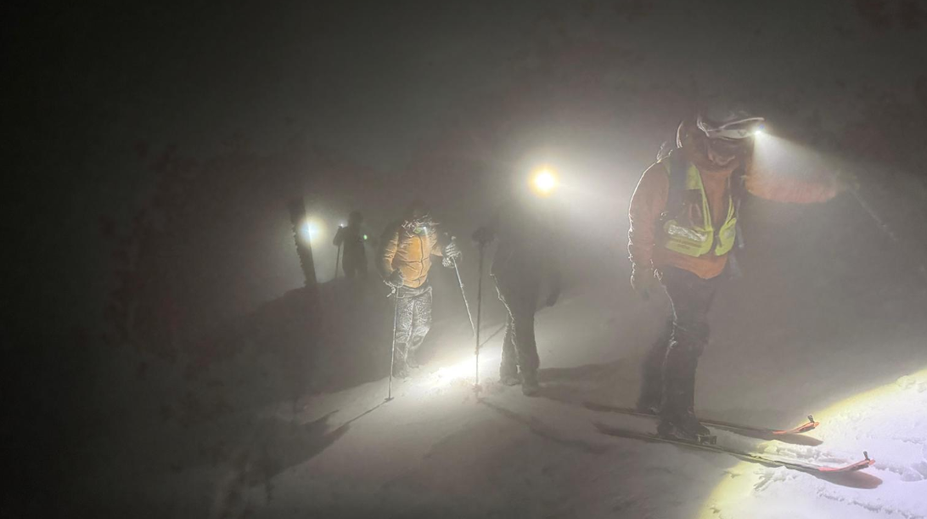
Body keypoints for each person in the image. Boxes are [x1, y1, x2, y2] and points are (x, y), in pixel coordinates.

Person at [628, 107, 845, 440]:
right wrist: (641, 266)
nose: (725, 155)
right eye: (720, 146)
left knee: (684, 333)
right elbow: (640, 219)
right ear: (704, 137)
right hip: (676, 263)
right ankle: (675, 418)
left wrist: (826, 191)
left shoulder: (736, 168)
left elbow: (774, 188)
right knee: (690, 335)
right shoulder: (667, 172)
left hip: (712, 267)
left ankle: (655, 398)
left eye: (734, 148)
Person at [474, 190, 562, 397]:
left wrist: (555, 283)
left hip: (529, 275)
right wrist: (482, 235)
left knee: (519, 319)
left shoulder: (545, 213)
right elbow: (491, 228)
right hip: (507, 273)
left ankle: (508, 369)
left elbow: (552, 250)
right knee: (522, 320)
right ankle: (528, 375)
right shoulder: (511, 208)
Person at [378, 201, 461, 378]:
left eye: (424, 219)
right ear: (409, 217)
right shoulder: (397, 231)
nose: (421, 223)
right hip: (403, 288)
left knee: (423, 325)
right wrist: (390, 275)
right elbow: (383, 257)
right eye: (417, 219)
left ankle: (411, 354)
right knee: (402, 329)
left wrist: (447, 250)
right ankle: (399, 363)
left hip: (423, 285)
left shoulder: (428, 230)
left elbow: (434, 247)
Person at [332, 211, 368, 279]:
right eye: (353, 220)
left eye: (357, 220)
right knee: (353, 280)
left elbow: (370, 240)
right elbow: (336, 242)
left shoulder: (361, 230)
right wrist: (339, 233)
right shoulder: (345, 230)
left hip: (358, 259)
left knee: (362, 280)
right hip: (350, 260)